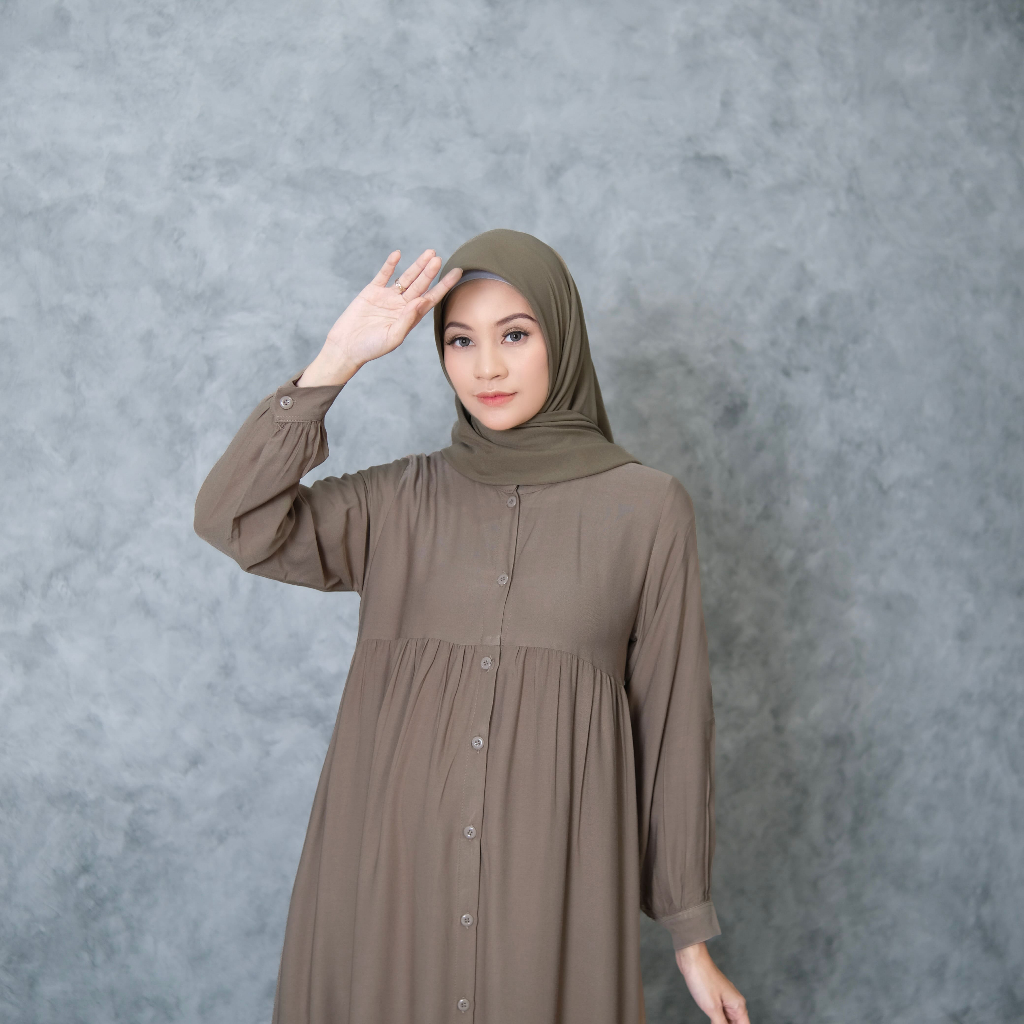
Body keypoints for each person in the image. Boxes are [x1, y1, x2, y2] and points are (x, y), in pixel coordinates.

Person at [194, 228, 750, 1024]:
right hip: (385, 896)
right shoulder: (396, 502)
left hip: (551, 905)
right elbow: (235, 520)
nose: (486, 368)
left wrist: (689, 936)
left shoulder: (648, 510)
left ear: (562, 338)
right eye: (460, 341)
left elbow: (672, 729)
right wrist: (335, 362)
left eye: (514, 335)